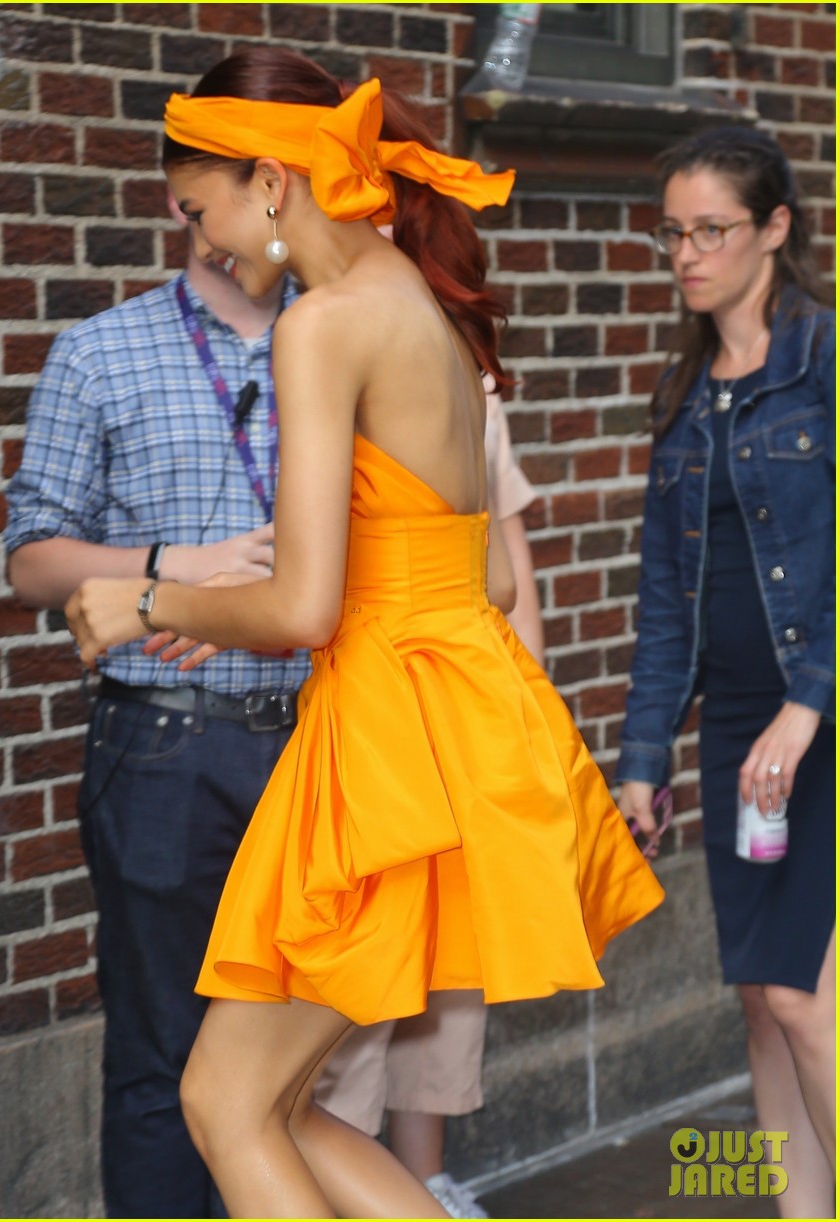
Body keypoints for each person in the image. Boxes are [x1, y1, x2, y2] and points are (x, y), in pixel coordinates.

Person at [66, 47, 664, 1219]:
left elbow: (302, 607)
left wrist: (143, 602)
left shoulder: (322, 323)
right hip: (442, 724)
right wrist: (232, 608)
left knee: (226, 1105)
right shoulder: (418, 307)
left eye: (202, 208)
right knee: (274, 1106)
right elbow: (480, 573)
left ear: (274, 181)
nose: (201, 241)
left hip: (384, 746)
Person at [4, 196, 310, 1217]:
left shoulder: (340, 332)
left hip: (325, 746)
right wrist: (182, 570)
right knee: (162, 1060)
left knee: (300, 1074)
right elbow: (34, 560)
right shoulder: (99, 351)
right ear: (192, 209)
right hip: (169, 749)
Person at [616, 127, 834, 1218]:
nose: (684, 254)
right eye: (670, 232)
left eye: (710, 230)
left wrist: (806, 705)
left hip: (820, 717)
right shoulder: (684, 393)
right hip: (739, 724)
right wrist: (641, 758)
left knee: (803, 1001)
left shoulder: (824, 361)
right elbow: (665, 607)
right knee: (759, 999)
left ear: (773, 230)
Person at [316, 390, 544, 1221]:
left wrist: (527, 721)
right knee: (357, 982)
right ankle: (352, 1189)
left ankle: (425, 1186)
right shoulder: (321, 349)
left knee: (448, 973)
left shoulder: (464, 377)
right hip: (361, 712)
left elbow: (504, 560)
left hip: (451, 706)